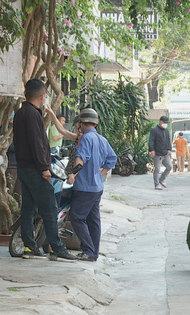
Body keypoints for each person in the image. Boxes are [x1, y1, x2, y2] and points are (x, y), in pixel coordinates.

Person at [13, 78, 76, 261]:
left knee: (28, 209)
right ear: (42, 96)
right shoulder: (33, 114)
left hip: (24, 169)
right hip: (35, 169)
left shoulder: (21, 113)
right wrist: (44, 168)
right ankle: (57, 248)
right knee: (49, 208)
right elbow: (37, 144)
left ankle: (29, 246)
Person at [68, 108, 117, 262]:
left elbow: (80, 159)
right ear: (96, 124)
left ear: (81, 123)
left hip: (85, 187)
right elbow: (112, 159)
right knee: (93, 220)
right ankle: (94, 252)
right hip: (97, 187)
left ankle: (88, 250)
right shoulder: (101, 139)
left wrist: (73, 174)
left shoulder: (86, 139)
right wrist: (99, 173)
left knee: (76, 217)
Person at [149, 116, 172, 190]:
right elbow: (151, 141)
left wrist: (169, 149)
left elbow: (168, 140)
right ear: (160, 122)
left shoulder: (166, 131)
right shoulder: (154, 130)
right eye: (164, 122)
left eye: (166, 123)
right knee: (157, 169)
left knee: (169, 166)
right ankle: (157, 184)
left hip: (165, 153)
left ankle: (161, 179)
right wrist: (152, 150)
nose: (165, 124)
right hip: (157, 153)